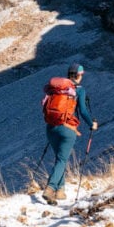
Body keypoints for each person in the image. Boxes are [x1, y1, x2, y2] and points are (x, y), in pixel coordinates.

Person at [43, 63, 98, 204]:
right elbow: (83, 111)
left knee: (59, 159)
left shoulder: (56, 90)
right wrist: (92, 124)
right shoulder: (79, 90)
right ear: (79, 75)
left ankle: (60, 191)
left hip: (51, 128)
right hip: (67, 129)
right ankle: (50, 189)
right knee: (62, 160)